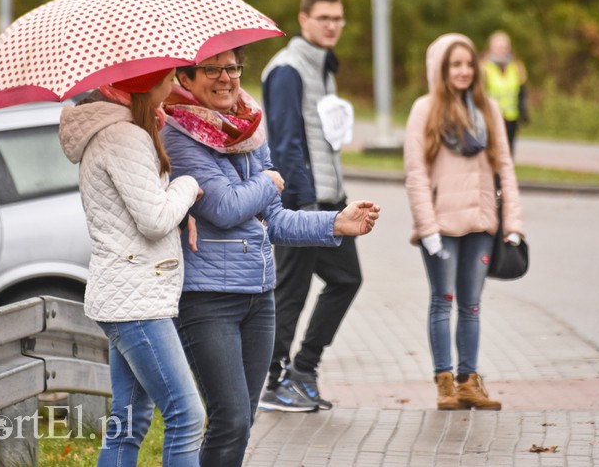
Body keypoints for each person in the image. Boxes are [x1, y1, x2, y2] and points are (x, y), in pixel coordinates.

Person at [161, 47, 380, 466]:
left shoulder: (247, 130)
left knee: (244, 420)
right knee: (230, 416)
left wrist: (336, 223)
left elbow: (273, 220)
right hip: (207, 299)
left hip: (259, 296)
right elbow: (224, 209)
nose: (226, 78)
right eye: (212, 69)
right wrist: (268, 181)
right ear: (185, 79)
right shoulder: (178, 136)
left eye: (233, 68)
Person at [58, 68, 205, 466]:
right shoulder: (124, 136)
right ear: (149, 83)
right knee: (187, 416)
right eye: (169, 78)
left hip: (129, 292)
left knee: (130, 420)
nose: (173, 86)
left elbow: (141, 207)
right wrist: (187, 186)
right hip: (136, 299)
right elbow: (154, 220)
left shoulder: (123, 129)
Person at [403, 33, 524, 411]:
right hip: (440, 227)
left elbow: (505, 166)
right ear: (441, 68)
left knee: (471, 305)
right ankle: (444, 383)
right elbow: (416, 172)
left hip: (482, 223)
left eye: (469, 64)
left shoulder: (487, 109)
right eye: (455, 64)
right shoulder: (425, 110)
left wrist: (513, 224)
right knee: (443, 301)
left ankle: (468, 382)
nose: (463, 71)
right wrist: (428, 228)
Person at [259, 0, 359, 412]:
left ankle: (304, 369)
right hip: (303, 205)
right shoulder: (288, 69)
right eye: (324, 18)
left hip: (331, 201)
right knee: (291, 290)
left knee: (346, 278)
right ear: (303, 20)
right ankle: (275, 381)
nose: (332, 25)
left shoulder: (322, 66)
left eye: (338, 18)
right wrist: (299, 206)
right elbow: (284, 143)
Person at [482, 30, 528, 153]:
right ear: (491, 48)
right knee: (492, 150)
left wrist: (523, 110)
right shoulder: (484, 67)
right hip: (491, 117)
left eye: (505, 47)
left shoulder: (516, 66)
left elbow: (522, 90)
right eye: (498, 47)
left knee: (508, 150)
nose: (502, 50)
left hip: (511, 117)